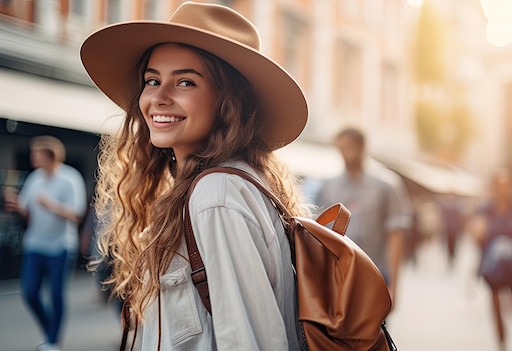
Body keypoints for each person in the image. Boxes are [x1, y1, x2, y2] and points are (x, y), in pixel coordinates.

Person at [80, 2, 309, 350]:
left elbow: (250, 343)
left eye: (185, 82)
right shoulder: (218, 185)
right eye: (152, 80)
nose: (158, 97)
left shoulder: (216, 194)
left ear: (228, 101)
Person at [3, 135, 87, 351]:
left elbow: (77, 214)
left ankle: (52, 341)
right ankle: (51, 332)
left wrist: (51, 205)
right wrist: (17, 206)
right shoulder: (34, 178)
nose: (32, 157)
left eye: (36, 153)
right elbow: (27, 213)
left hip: (60, 246)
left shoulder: (70, 178)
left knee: (56, 295)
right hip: (34, 244)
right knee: (29, 292)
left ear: (50, 155)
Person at [314, 127, 411, 304]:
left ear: (362, 147)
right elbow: (317, 234)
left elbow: (395, 236)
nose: (345, 153)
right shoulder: (328, 187)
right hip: (337, 277)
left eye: (349, 147)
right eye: (341, 148)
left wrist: (394, 288)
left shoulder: (386, 186)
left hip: (375, 275)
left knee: (373, 330)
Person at [467, 168, 512, 351]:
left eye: (507, 184)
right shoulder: (485, 208)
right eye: (500, 185)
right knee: (496, 309)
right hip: (493, 265)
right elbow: (476, 231)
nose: (504, 189)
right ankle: (502, 346)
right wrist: (477, 232)